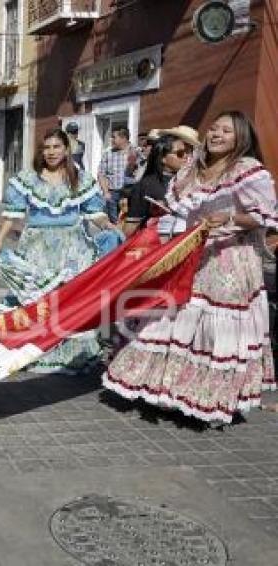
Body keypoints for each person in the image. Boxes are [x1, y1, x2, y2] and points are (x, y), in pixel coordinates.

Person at [103, 111, 277, 425]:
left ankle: (207, 398)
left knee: (213, 327)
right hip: (190, 253)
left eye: (227, 130)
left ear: (242, 138)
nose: (217, 134)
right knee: (174, 317)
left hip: (229, 261)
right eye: (214, 128)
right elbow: (181, 208)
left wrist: (230, 218)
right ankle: (167, 392)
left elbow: (264, 216)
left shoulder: (248, 171)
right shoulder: (192, 169)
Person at [0, 128, 117, 373]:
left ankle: (69, 351)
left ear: (66, 149)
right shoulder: (27, 179)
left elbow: (95, 212)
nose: (51, 152)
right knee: (36, 298)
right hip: (37, 246)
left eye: (56, 147)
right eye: (46, 147)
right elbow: (12, 214)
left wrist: (107, 224)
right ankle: (34, 348)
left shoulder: (80, 179)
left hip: (72, 248)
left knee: (68, 299)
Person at [122, 135, 178, 237]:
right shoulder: (146, 185)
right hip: (158, 246)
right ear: (163, 158)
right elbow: (130, 228)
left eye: (189, 152)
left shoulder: (191, 182)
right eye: (180, 153)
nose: (187, 156)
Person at [98, 126, 137, 223]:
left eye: (114, 137)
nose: (111, 140)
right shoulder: (108, 153)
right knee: (114, 222)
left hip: (130, 194)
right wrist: (106, 192)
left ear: (123, 138)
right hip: (112, 194)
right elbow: (101, 174)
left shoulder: (136, 152)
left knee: (128, 221)